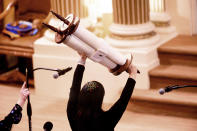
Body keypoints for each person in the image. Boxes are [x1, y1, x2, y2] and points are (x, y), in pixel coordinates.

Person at [67, 53, 137, 131]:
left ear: (81, 96)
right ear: (100, 99)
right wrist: (133, 73)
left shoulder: (72, 112)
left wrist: (82, 60)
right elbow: (124, 100)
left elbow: (75, 87)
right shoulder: (107, 119)